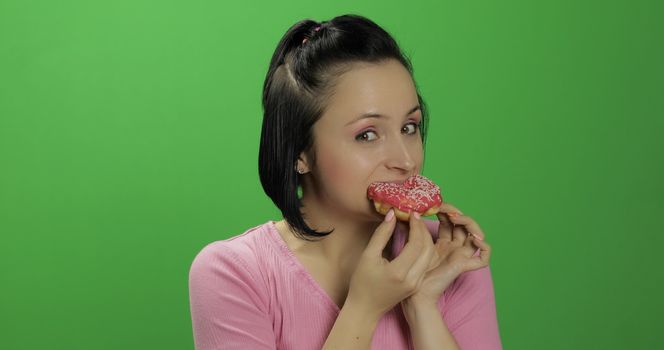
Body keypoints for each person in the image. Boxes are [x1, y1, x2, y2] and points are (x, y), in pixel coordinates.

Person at [189, 14, 502, 350]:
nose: (406, 160)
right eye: (367, 134)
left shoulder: (449, 257)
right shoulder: (234, 274)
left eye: (409, 127)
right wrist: (363, 309)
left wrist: (423, 304)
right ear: (299, 152)